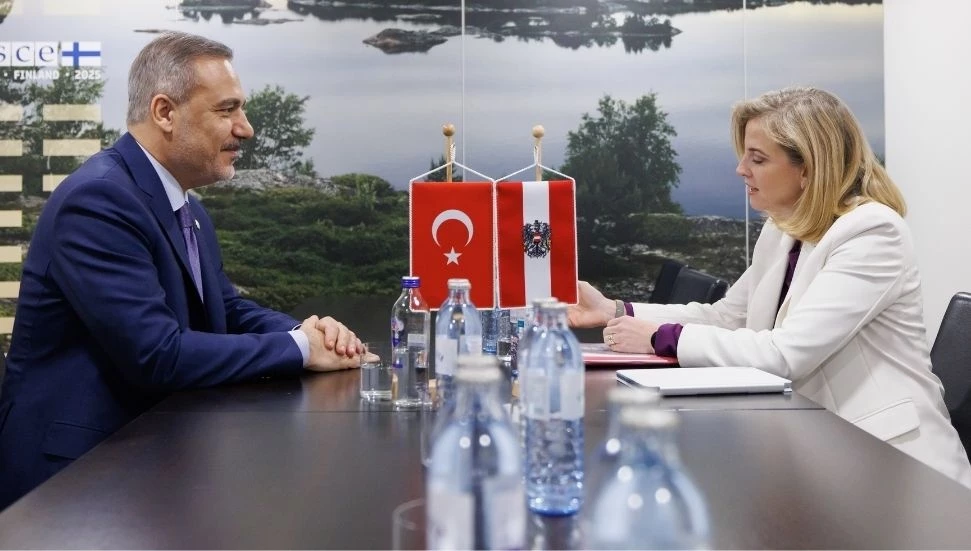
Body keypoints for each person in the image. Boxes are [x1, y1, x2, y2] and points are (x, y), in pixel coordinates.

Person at [0, 32, 365, 509]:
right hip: (74, 481)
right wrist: (299, 349)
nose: (246, 128)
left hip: (147, 456)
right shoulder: (98, 200)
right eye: (227, 110)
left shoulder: (185, 206)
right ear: (164, 113)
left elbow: (226, 308)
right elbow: (157, 354)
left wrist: (310, 333)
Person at [570, 87, 971, 488]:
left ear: (808, 168)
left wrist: (661, 336)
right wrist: (615, 311)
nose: (741, 169)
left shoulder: (873, 233)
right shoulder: (782, 229)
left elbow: (786, 354)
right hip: (820, 454)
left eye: (757, 159)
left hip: (898, 471)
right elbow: (728, 317)